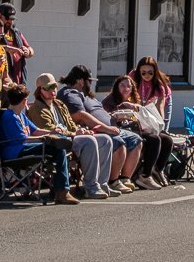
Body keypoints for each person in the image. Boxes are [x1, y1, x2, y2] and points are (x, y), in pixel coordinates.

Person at [28, 73, 115, 200]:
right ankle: (91, 187)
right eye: (48, 88)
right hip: (57, 142)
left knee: (105, 140)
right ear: (39, 90)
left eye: (54, 86)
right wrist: (75, 134)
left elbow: (70, 124)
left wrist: (80, 130)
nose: (53, 90)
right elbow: (50, 131)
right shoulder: (37, 109)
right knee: (88, 141)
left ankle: (102, 184)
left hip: (70, 137)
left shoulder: (59, 104)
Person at [58, 66, 142, 194]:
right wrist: (107, 128)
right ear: (81, 81)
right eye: (89, 81)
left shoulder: (87, 96)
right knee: (118, 142)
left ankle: (124, 179)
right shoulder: (70, 93)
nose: (90, 84)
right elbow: (80, 115)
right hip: (97, 131)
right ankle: (112, 181)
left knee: (136, 139)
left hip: (111, 127)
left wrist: (114, 117)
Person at [0, 84, 78, 204]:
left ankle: (60, 189)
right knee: (57, 148)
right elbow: (23, 140)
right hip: (15, 152)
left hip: (23, 148)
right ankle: (62, 192)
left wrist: (52, 132)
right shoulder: (10, 117)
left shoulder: (20, 115)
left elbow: (35, 131)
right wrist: (46, 138)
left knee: (59, 146)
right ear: (24, 101)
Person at [102, 74, 173, 191]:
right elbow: (107, 118)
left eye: (128, 86)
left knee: (167, 139)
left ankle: (157, 170)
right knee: (154, 139)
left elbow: (140, 118)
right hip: (123, 129)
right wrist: (120, 115)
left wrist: (136, 109)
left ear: (132, 88)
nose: (125, 89)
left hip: (138, 128)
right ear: (117, 87)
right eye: (122, 86)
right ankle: (145, 175)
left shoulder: (133, 100)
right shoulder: (110, 101)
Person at [0, 2, 34, 86]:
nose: (10, 21)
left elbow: (30, 49)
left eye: (12, 19)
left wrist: (28, 51)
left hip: (20, 81)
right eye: (7, 18)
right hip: (3, 82)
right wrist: (8, 48)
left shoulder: (16, 32)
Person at [130, 56, 173, 128]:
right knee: (137, 125)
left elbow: (160, 106)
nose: (147, 75)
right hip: (141, 102)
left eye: (150, 73)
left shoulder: (159, 85)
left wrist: (161, 125)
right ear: (139, 71)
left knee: (161, 127)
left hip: (160, 102)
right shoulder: (133, 76)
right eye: (143, 73)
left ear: (155, 72)